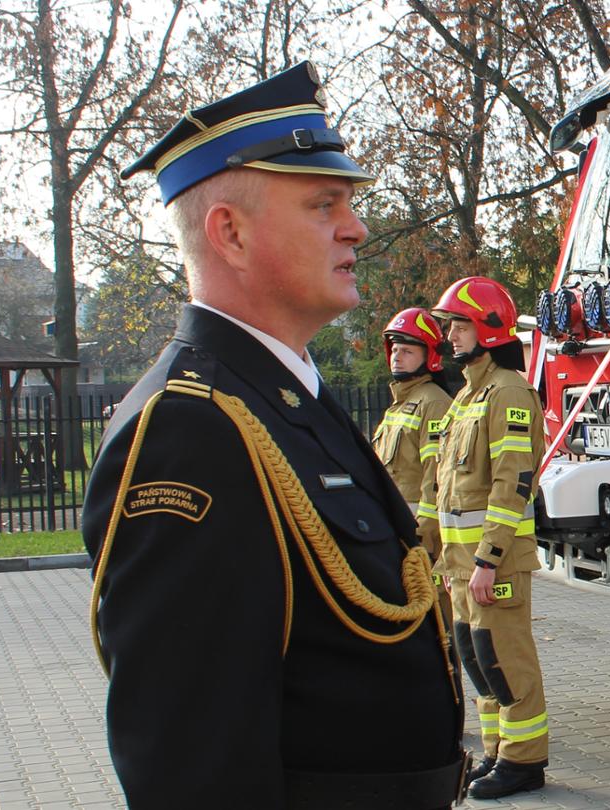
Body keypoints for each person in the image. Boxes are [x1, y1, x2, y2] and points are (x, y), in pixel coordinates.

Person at [82, 63, 464, 809]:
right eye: (324, 204)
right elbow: (192, 764)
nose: (355, 226)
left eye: (348, 203)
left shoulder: (284, 394)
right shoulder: (190, 428)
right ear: (229, 232)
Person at [427, 276, 550, 799]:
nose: (451, 335)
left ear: (489, 329)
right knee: (478, 660)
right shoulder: (465, 398)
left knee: (506, 657)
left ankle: (525, 762)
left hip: (492, 562)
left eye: (460, 324)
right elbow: (443, 484)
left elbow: (513, 482)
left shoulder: (509, 392)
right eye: (450, 325)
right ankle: (499, 752)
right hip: (460, 564)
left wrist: (489, 558)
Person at [373, 307, 454, 561]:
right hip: (394, 531)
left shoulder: (433, 403)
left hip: (419, 538)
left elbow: (436, 473)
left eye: (407, 351)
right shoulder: (397, 406)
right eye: (395, 350)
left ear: (429, 356)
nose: (397, 357)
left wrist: (423, 536)